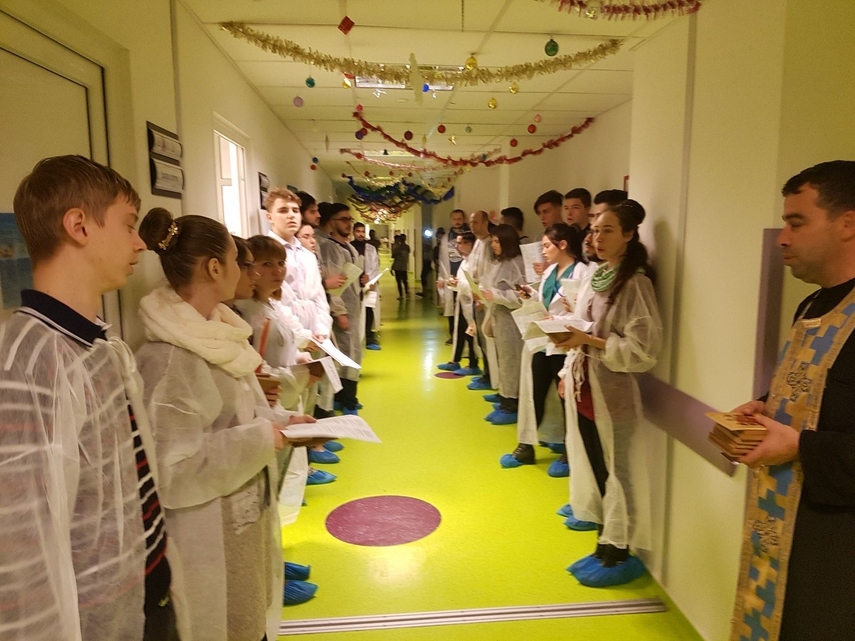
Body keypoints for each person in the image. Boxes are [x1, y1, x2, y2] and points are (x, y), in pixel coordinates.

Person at [0, 155, 177, 640]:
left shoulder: (98, 345)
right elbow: (19, 547)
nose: (140, 243)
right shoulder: (28, 360)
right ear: (79, 226)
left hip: (142, 593)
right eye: (128, 225)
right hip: (96, 619)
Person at [135, 209, 325, 639]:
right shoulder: (170, 359)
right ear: (215, 268)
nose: (246, 272)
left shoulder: (218, 336)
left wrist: (285, 423)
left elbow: (240, 412)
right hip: (208, 538)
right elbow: (174, 470)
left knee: (252, 617)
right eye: (238, 261)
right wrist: (265, 437)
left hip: (242, 523)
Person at [728, 161, 855, 641]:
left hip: (835, 549)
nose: (782, 238)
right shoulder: (812, 303)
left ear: (848, 223)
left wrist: (799, 447)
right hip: (782, 528)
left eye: (796, 223)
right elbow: (819, 389)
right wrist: (766, 407)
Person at [556, 200, 661, 588]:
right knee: (597, 467)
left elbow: (643, 350)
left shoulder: (634, 283)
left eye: (608, 230)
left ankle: (620, 549)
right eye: (595, 229)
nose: (597, 237)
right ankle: (604, 539)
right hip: (585, 387)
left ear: (629, 235)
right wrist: (569, 345)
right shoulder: (599, 274)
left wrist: (587, 340)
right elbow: (586, 327)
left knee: (619, 473)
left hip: (612, 392)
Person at [500, 224, 595, 476]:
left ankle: (569, 452)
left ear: (563, 245)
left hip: (566, 345)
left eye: (546, 246)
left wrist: (564, 314)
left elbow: (583, 311)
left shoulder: (582, 272)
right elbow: (544, 301)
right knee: (534, 394)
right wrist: (529, 294)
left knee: (567, 401)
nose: (543, 251)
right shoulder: (551, 270)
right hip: (543, 342)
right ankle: (525, 447)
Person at [316, 203, 363, 414]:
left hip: (353, 306)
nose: (349, 224)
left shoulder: (347, 246)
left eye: (350, 219)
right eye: (344, 219)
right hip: (342, 309)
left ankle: (347, 397)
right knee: (345, 353)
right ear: (331, 222)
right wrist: (340, 312)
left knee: (352, 350)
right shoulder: (328, 247)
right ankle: (346, 399)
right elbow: (333, 284)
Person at [480, 224, 527, 425]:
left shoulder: (517, 263)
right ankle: (504, 395)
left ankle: (512, 403)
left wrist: (497, 295)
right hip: (500, 317)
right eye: (492, 241)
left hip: (512, 320)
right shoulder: (501, 262)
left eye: (497, 241)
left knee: (511, 360)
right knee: (504, 358)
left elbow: (522, 295)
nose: (493, 245)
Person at [436, 231, 481, 376]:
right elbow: (462, 283)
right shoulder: (464, 261)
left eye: (460, 243)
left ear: (470, 244)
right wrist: (453, 283)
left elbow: (476, 285)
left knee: (471, 334)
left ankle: (473, 364)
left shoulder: (476, 262)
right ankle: (455, 360)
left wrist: (459, 284)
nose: (457, 246)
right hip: (462, 302)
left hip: (472, 303)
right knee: (460, 331)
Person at [466, 210, 500, 392]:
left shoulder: (489, 244)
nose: (472, 225)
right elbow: (474, 270)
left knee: (488, 340)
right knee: (480, 339)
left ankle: (493, 378)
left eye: (476, 222)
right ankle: (487, 373)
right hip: (476, 295)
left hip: (486, 299)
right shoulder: (478, 243)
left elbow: (489, 274)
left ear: (486, 222)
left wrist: (481, 296)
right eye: (471, 222)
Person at [437, 210, 470, 341]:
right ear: (451, 220)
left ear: (463, 219)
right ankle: (453, 335)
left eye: (459, 219)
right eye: (454, 219)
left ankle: (467, 336)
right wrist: (441, 277)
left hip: (466, 277)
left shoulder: (469, 235)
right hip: (450, 276)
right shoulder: (446, 238)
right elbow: (442, 259)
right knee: (451, 308)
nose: (457, 221)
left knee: (465, 308)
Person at [351, 221, 381, 350]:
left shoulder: (370, 248)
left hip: (369, 284)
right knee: (355, 311)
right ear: (353, 232)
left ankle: (369, 336)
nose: (360, 234)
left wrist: (369, 278)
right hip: (353, 284)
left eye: (363, 232)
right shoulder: (349, 247)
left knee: (369, 310)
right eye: (358, 231)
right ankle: (357, 336)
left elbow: (375, 265)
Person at [391, 233, 411, 299]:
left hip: (398, 267)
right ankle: (407, 293)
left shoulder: (397, 248)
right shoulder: (407, 247)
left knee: (399, 281)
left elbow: (393, 256)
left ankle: (401, 295)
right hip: (404, 267)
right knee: (405, 281)